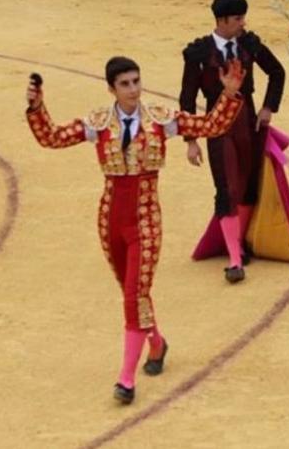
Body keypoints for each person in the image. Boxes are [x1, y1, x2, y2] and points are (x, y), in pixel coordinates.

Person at [27, 56, 246, 404]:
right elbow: (51, 138)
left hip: (145, 217)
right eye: (125, 84)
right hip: (109, 218)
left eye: (136, 82)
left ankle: (126, 379)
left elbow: (211, 126)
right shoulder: (99, 123)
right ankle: (156, 343)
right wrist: (37, 108)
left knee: (134, 295)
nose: (133, 90)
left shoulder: (161, 119)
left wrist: (229, 95)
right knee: (132, 291)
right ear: (111, 88)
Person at [180, 0, 285, 283]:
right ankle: (235, 258)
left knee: (249, 184)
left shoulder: (249, 45)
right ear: (222, 20)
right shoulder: (200, 53)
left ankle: (239, 242)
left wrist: (268, 107)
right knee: (227, 186)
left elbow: (278, 72)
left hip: (248, 121)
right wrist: (191, 139)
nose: (243, 23)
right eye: (238, 18)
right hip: (217, 126)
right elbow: (187, 97)